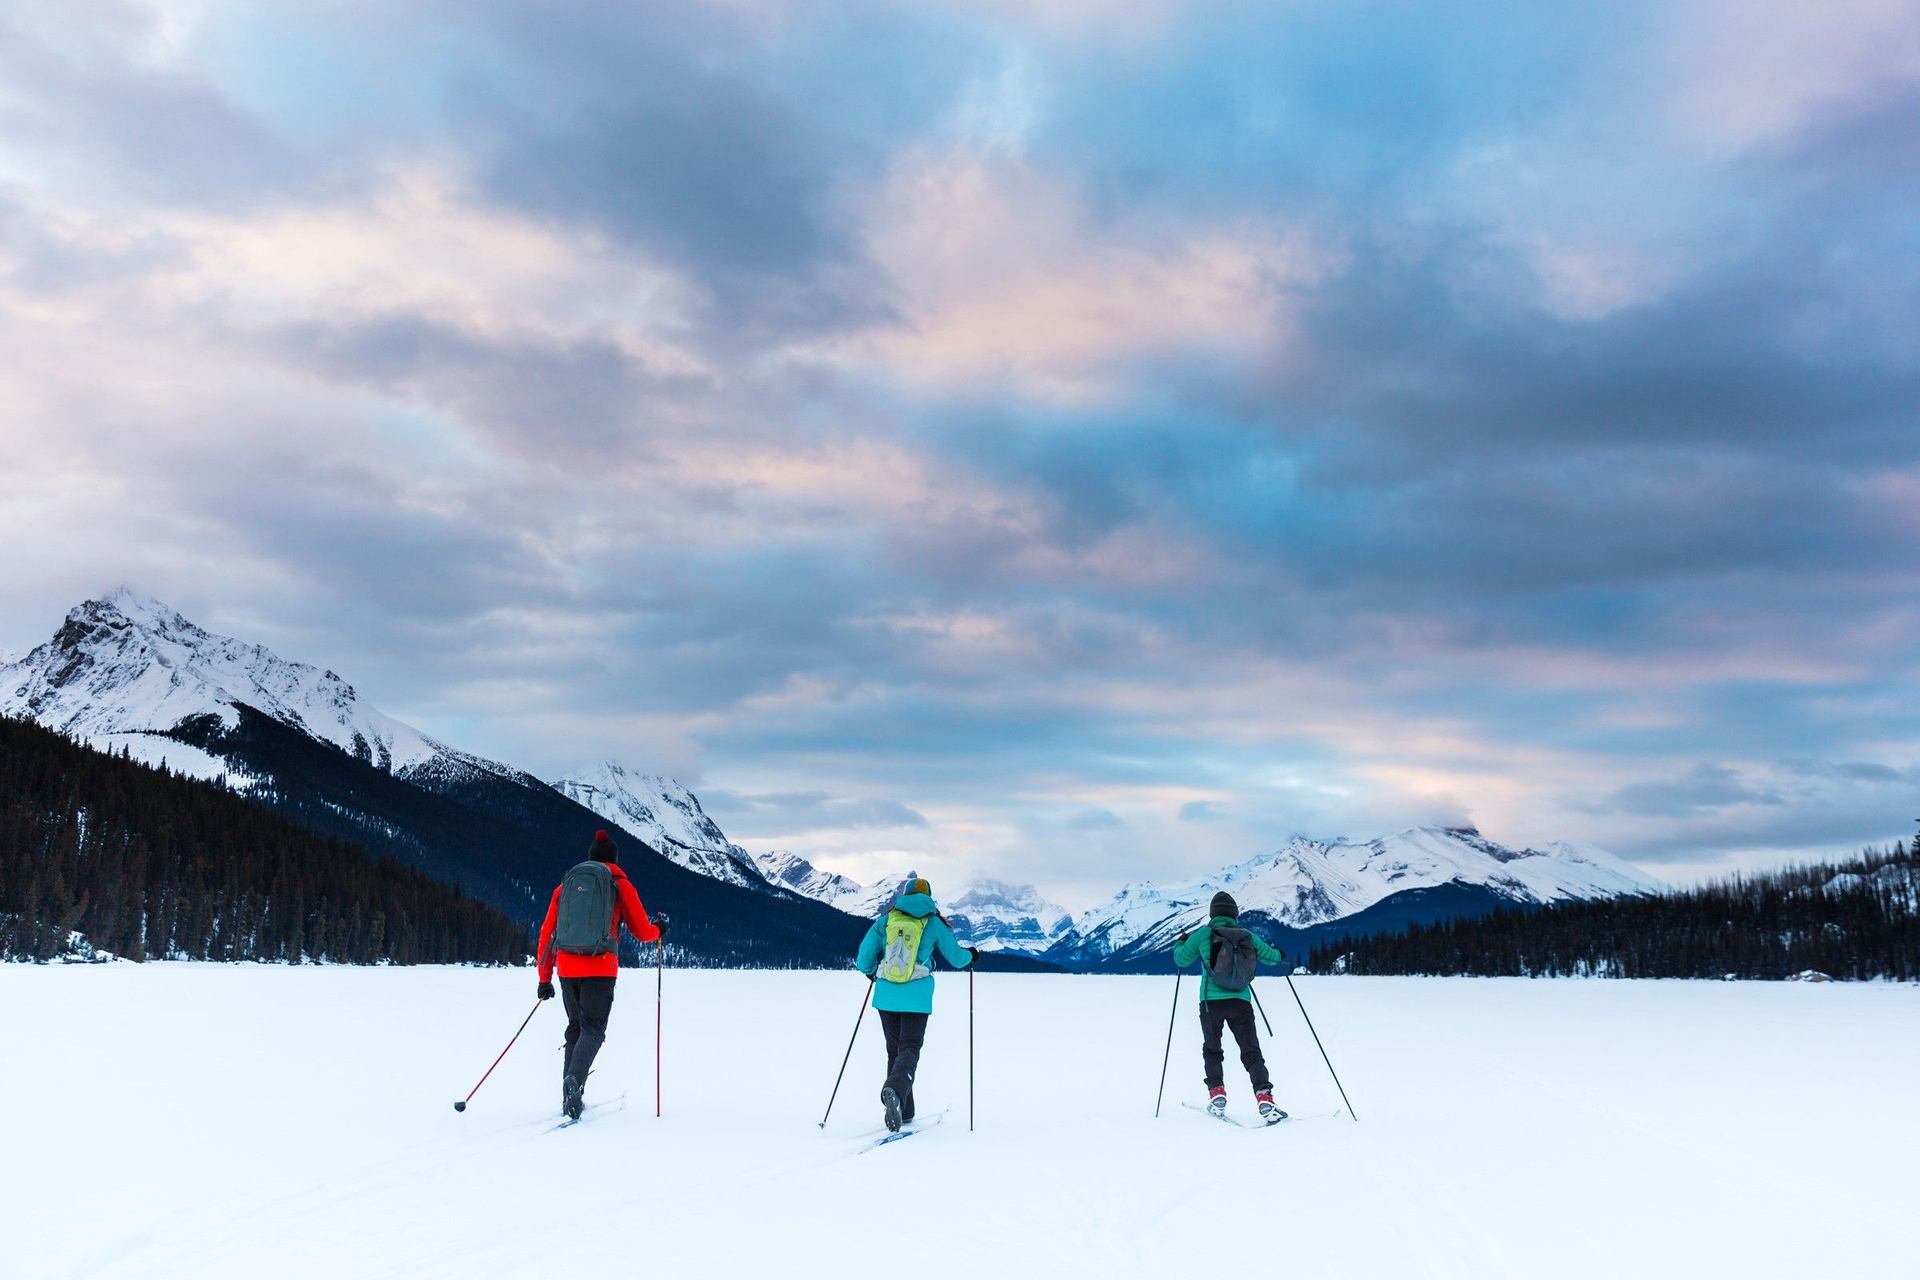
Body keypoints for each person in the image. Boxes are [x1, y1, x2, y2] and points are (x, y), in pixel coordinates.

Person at [536, 829, 666, 1120]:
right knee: (593, 1029)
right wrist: (659, 930)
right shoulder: (619, 884)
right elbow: (642, 931)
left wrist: (544, 979)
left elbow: (546, 934)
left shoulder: (565, 887)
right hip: (600, 967)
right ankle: (575, 1083)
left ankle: (570, 1095)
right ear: (615, 859)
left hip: (566, 967)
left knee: (576, 1028)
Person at [855, 874, 976, 1132]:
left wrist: (869, 970)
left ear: (906, 894)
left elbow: (865, 953)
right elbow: (956, 958)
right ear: (928, 897)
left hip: (886, 993)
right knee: (909, 1049)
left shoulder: (888, 918)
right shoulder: (932, 922)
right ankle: (896, 1093)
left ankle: (905, 1111)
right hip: (917, 996)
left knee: (894, 1050)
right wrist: (972, 956)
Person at [1172, 890, 1288, 1124]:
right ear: (1234, 914)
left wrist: (1180, 942)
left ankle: (1217, 1096)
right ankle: (1264, 1098)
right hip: (1241, 1002)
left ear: (1212, 914)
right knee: (1251, 1051)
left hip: (1210, 1003)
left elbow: (1181, 960)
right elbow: (1272, 958)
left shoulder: (1203, 935)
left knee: (1212, 1049)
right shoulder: (1247, 936)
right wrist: (1279, 952)